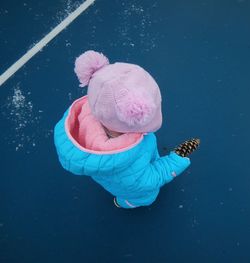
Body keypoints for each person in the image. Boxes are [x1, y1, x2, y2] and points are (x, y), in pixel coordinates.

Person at [53, 50, 199, 209]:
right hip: (133, 191)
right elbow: (149, 181)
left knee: (115, 182)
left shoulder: (90, 117)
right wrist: (176, 159)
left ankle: (120, 199)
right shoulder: (131, 162)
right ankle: (126, 203)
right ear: (136, 115)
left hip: (110, 178)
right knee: (146, 197)